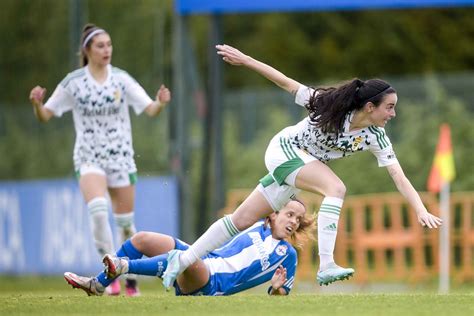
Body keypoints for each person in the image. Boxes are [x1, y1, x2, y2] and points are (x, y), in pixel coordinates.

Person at [161, 44, 443, 289]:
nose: (393, 114)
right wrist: (246, 60)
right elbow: (285, 82)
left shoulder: (375, 136)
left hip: (299, 166)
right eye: (389, 107)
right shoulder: (327, 103)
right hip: (283, 151)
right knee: (335, 187)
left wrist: (420, 209)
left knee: (240, 220)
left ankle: (182, 259)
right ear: (370, 106)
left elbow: (398, 175)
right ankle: (327, 264)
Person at [29, 23, 171, 296]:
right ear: (87, 50)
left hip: (121, 158)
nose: (107, 50)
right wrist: (37, 104)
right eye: (100, 46)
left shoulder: (121, 79)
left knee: (126, 225)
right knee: (97, 210)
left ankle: (130, 278)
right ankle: (110, 275)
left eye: (109, 45)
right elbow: (46, 115)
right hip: (88, 157)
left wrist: (160, 102)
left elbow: (150, 109)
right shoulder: (73, 83)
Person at [64, 199, 315, 296]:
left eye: (297, 219)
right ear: (274, 213)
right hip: (201, 258)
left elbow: (282, 299)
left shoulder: (287, 255)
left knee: (184, 259)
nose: (293, 221)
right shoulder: (256, 224)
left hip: (210, 282)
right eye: (290, 214)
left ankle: (122, 267)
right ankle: (98, 285)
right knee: (141, 239)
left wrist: (277, 289)